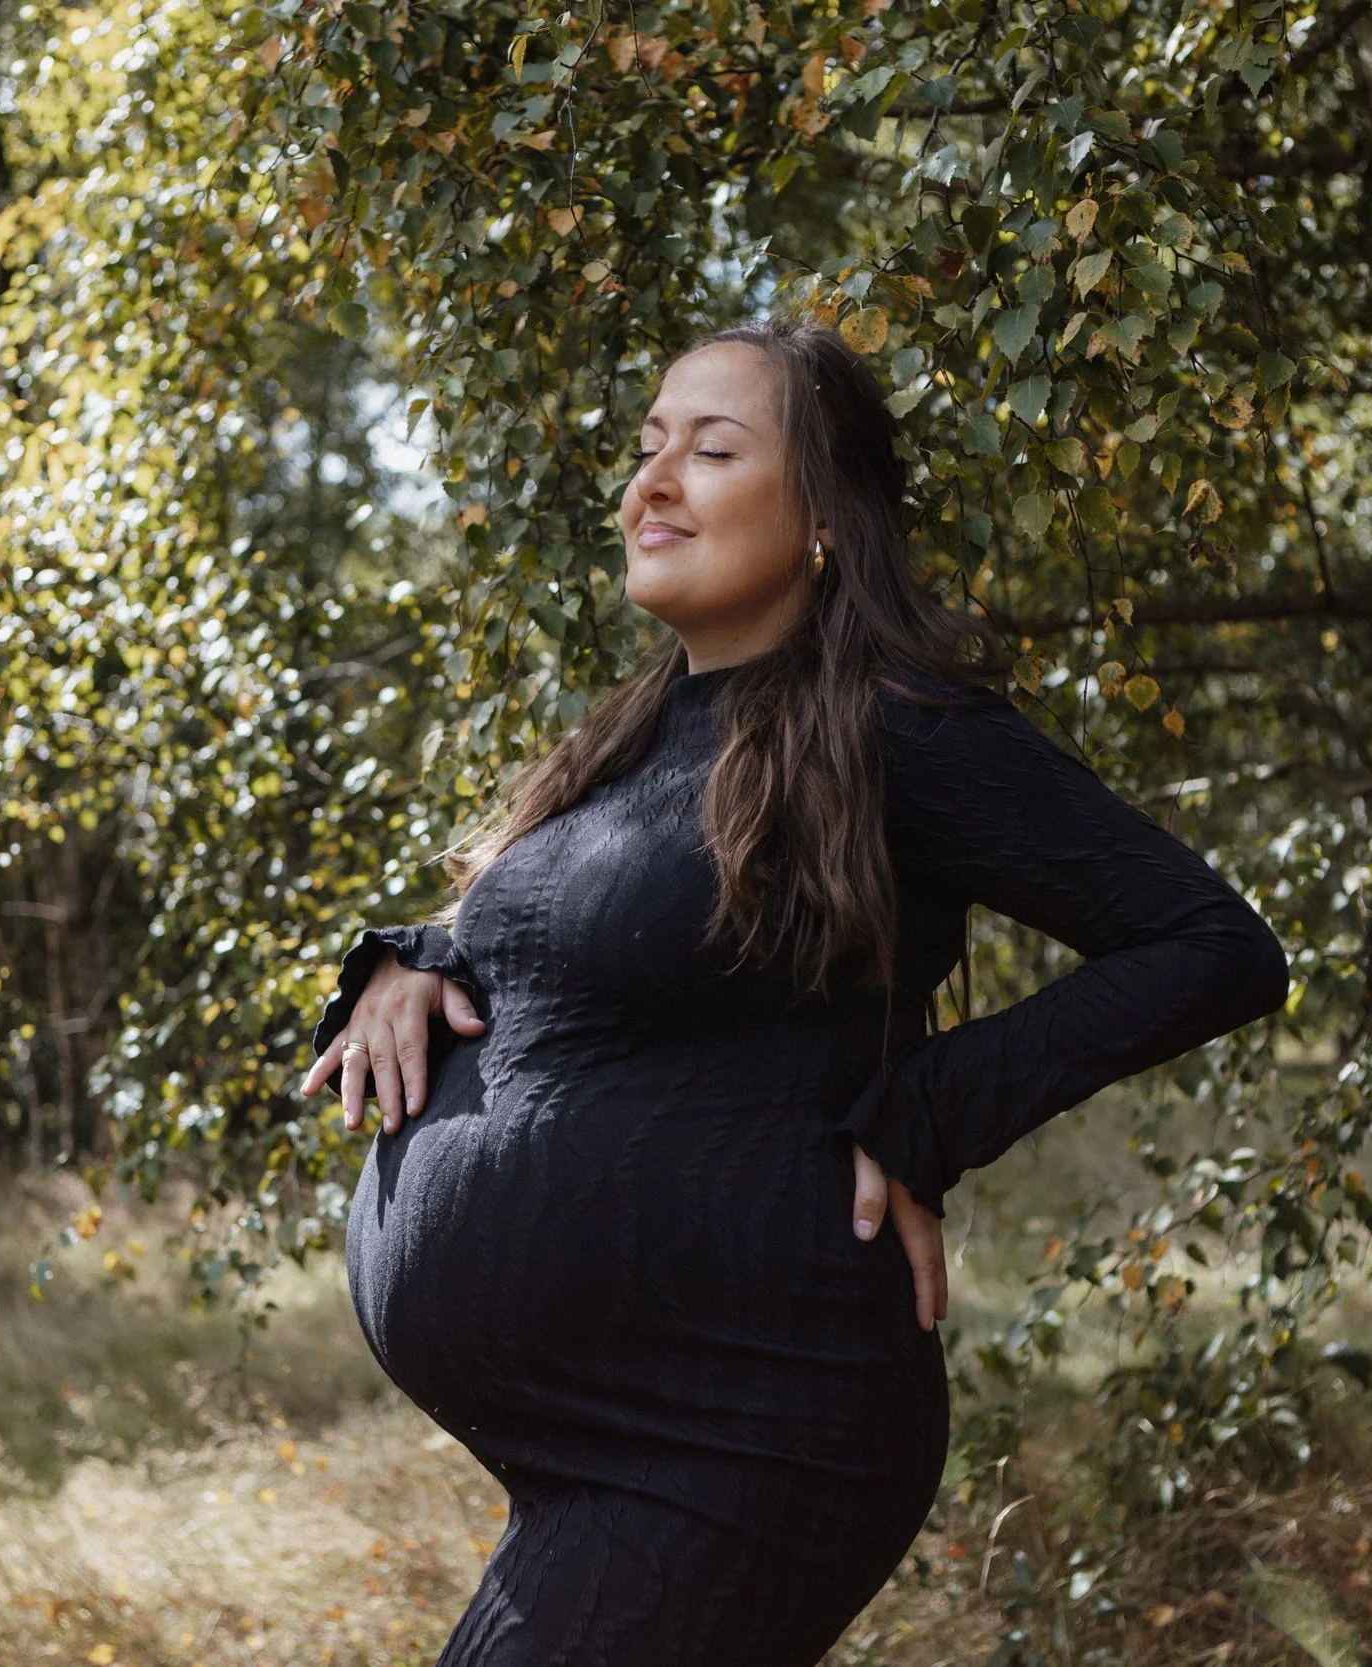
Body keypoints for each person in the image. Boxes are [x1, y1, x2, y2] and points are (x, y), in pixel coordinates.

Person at [297, 316, 1288, 1664]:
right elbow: (564, 954)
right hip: (597, 1445)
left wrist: (925, 1111)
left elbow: (1209, 944)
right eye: (649, 447)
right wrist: (405, 964)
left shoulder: (902, 727)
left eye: (710, 449)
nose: (652, 481)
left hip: (743, 1428)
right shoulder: (635, 737)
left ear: (824, 512)